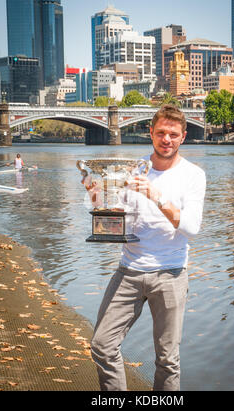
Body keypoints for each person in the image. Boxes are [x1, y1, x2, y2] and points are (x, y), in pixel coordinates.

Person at [83, 105, 206, 391]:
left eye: (173, 134)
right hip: (130, 269)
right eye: (161, 132)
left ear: (183, 137)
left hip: (171, 273)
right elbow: (117, 220)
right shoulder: (131, 169)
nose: (167, 139)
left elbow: (191, 228)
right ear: (150, 133)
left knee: (168, 359)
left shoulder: (193, 175)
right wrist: (97, 197)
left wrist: (156, 196)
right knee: (102, 344)